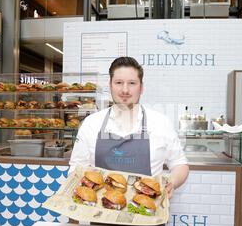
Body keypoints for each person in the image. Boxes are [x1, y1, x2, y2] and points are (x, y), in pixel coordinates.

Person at [69, 56, 189, 200]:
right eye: (119, 82)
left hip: (149, 214)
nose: (125, 90)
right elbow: (76, 168)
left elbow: (179, 164)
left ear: (141, 87)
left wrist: (172, 183)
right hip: (98, 213)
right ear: (110, 85)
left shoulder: (161, 123)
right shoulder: (91, 124)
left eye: (132, 83)